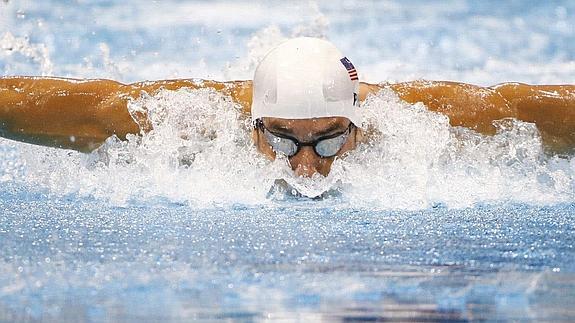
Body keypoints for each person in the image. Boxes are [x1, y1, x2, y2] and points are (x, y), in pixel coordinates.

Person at [1, 37, 574, 177]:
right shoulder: (197, 119)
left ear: (357, 123)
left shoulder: (411, 121)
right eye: (279, 140)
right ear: (252, 124)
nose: (304, 167)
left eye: (329, 142)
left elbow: (520, 108)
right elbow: (97, 107)